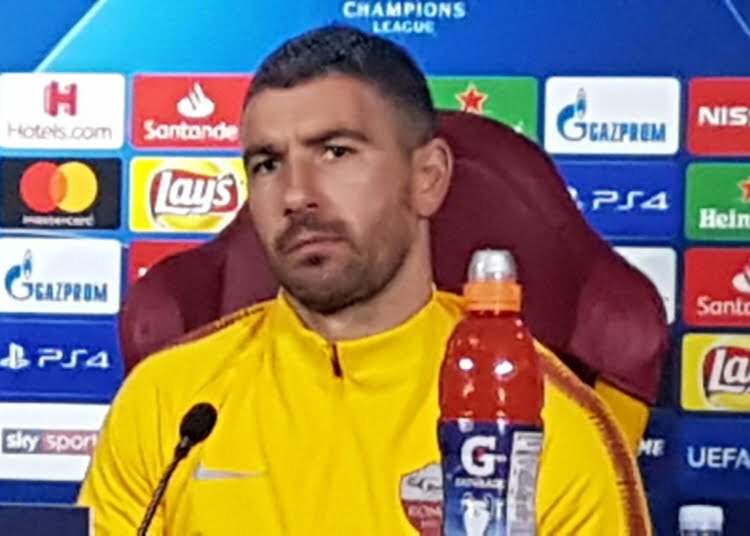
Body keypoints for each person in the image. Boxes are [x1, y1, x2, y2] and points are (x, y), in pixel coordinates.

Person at [78, 25, 651, 534]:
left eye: (335, 151)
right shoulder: (169, 403)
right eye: (268, 164)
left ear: (428, 178)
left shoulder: (545, 423)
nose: (296, 194)